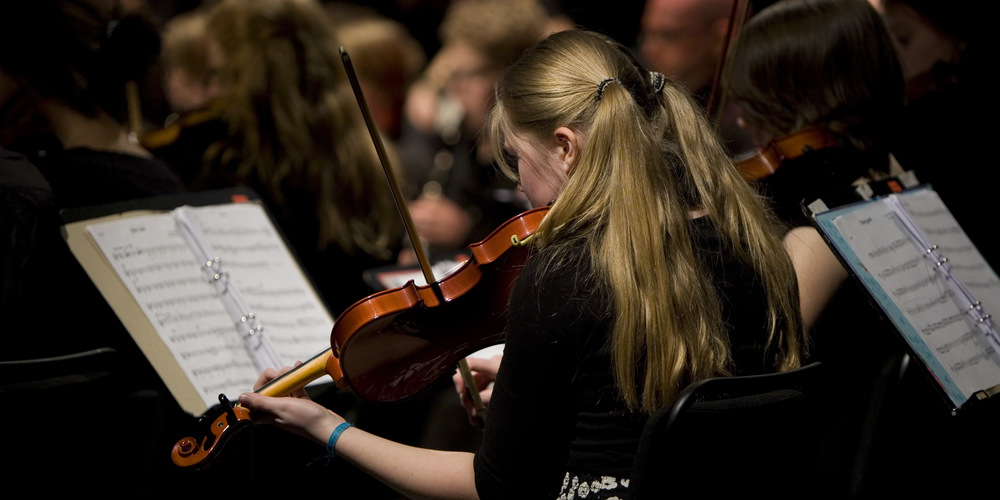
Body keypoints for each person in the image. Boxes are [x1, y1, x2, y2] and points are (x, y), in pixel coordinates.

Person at [238, 28, 806, 499]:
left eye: (516, 158)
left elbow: (497, 485)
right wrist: (534, 370)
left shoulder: (565, 275)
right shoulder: (746, 236)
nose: (522, 189)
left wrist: (327, 427)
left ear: (566, 147)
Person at [147, 0, 405, 316]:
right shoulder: (367, 154)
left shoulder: (229, 169)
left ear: (248, 80)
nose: (212, 90)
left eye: (218, 74)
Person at [397, 0, 550, 253]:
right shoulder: (460, 139)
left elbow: (536, 248)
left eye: (470, 75)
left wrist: (468, 232)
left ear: (514, 73)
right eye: (453, 74)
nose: (456, 88)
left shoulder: (533, 158)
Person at [637, 0, 756, 156]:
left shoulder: (751, 123)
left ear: (722, 37)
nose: (648, 49)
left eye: (668, 35)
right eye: (646, 34)